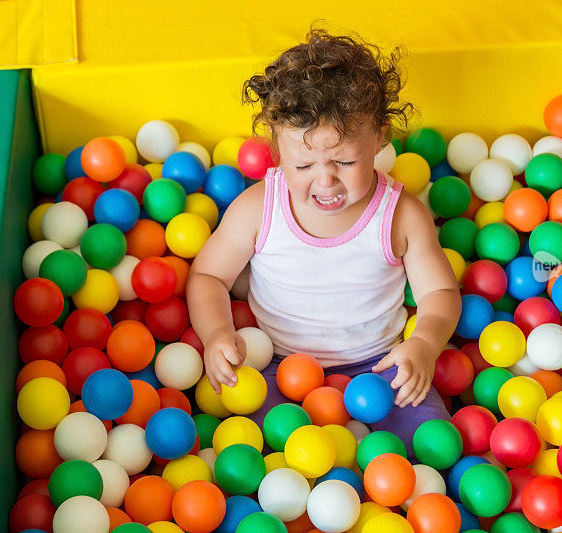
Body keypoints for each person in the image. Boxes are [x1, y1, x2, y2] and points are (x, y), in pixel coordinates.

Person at [186, 28, 461, 450]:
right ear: (278, 150)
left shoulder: (400, 215)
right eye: (303, 166)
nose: (325, 180)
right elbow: (207, 275)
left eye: (345, 160)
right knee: (259, 457)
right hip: (277, 364)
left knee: (434, 449)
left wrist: (423, 344)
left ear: (380, 137)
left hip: (382, 366)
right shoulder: (260, 207)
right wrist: (217, 333)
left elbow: (440, 290)